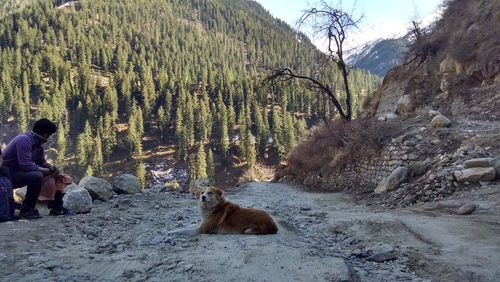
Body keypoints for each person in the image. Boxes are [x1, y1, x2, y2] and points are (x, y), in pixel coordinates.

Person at [2, 119, 74, 219]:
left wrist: (51, 168)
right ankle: (27, 208)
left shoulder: (37, 145)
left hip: (18, 172)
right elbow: (26, 165)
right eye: (48, 135)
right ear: (45, 134)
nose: (47, 138)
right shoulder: (24, 140)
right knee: (36, 176)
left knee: (56, 176)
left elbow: (41, 162)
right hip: (6, 176)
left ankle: (57, 207)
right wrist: (47, 171)